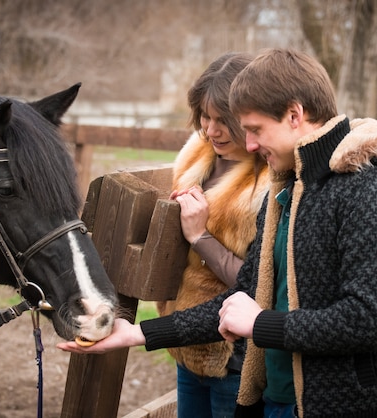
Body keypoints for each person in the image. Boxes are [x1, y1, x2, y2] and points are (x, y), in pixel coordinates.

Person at [58, 48, 377, 418]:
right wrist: (139, 334)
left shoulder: (371, 187)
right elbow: (245, 297)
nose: (248, 145)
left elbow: (371, 321)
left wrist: (259, 323)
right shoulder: (290, 187)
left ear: (295, 115)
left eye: (255, 130)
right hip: (277, 400)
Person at [158, 52, 269, 418]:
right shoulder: (194, 156)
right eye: (204, 116)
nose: (210, 130)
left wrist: (199, 235)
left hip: (233, 357)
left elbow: (257, 283)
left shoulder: (268, 182)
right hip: (185, 342)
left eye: (224, 121)